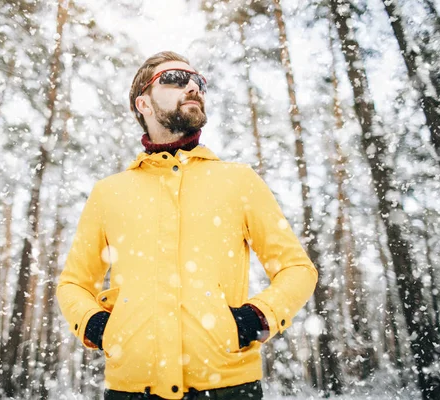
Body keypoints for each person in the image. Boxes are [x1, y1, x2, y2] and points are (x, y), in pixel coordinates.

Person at [56, 51, 318, 400]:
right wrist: (97, 326)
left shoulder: (238, 181)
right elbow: (73, 283)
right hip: (130, 388)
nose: (193, 86)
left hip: (227, 386)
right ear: (143, 104)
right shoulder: (109, 193)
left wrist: (256, 318)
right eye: (176, 79)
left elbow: (297, 269)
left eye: (199, 82)